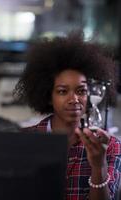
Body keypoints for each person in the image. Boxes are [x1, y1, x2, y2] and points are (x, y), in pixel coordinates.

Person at [14, 32, 121, 200]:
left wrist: (98, 166)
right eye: (63, 91)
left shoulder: (109, 146)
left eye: (81, 91)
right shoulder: (25, 140)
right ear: (48, 96)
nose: (74, 99)